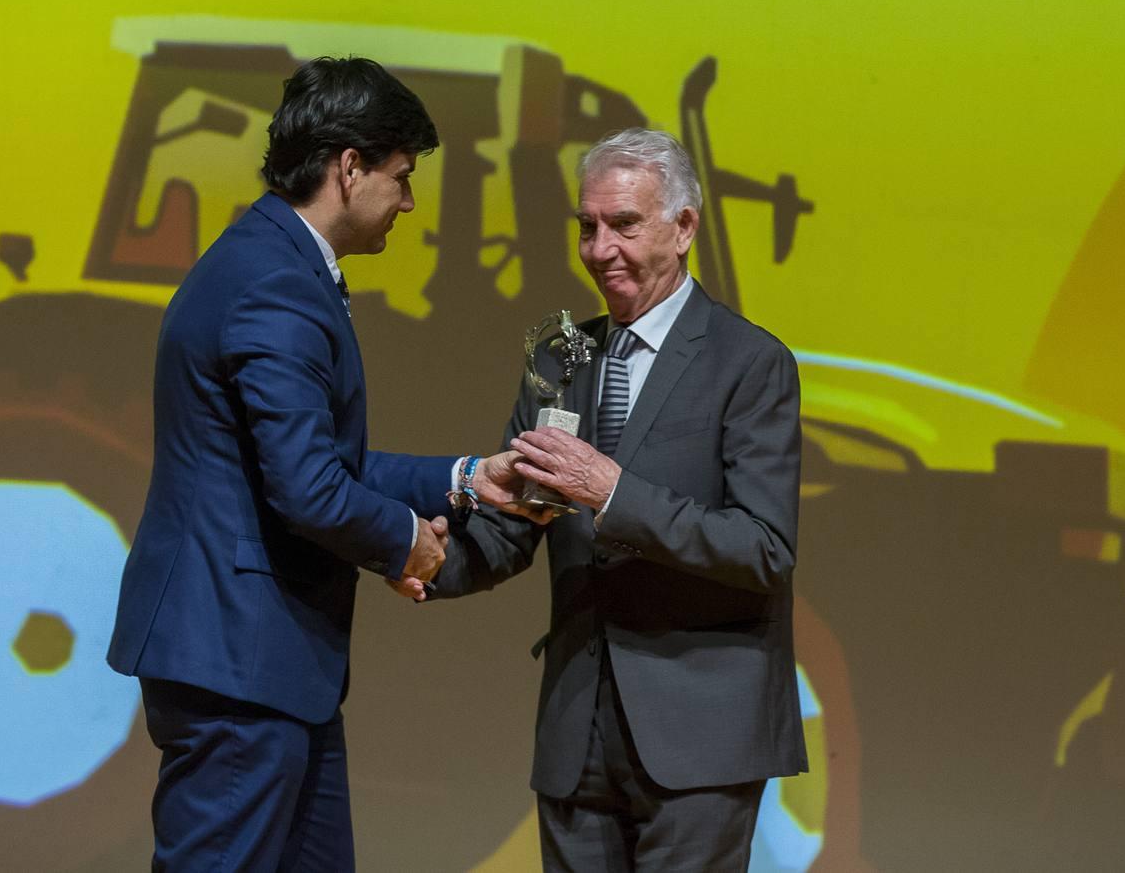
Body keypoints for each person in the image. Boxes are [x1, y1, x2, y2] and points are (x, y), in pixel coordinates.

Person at [107, 56, 531, 871]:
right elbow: (307, 488)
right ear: (349, 167)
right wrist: (413, 541)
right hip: (240, 670)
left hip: (268, 670)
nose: (409, 201)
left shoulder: (271, 260)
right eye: (402, 178)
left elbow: (315, 462)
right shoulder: (275, 283)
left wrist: (465, 480)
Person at [413, 128, 807, 871]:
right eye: (586, 228)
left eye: (624, 225)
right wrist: (430, 558)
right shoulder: (559, 359)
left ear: (685, 227)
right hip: (577, 730)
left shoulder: (750, 363)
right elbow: (513, 526)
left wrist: (615, 491)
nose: (599, 249)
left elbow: (765, 548)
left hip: (700, 739)